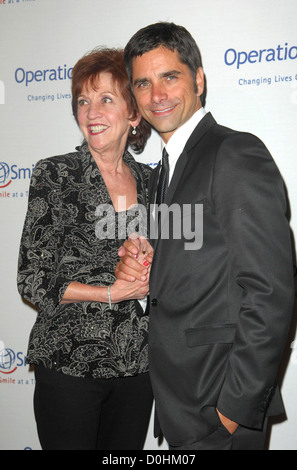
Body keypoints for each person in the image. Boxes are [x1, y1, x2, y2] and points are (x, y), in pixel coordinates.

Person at [115, 22, 295, 450]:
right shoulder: (162, 173)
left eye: (169, 77)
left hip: (218, 405)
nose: (157, 95)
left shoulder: (234, 152)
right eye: (143, 83)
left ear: (198, 78)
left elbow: (270, 291)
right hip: (180, 401)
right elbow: (194, 271)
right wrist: (143, 273)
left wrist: (230, 413)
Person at [17, 47, 153, 450]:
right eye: (83, 101)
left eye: (106, 99)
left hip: (136, 366)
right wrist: (111, 293)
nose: (91, 112)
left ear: (133, 113)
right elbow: (32, 279)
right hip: (67, 362)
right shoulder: (55, 173)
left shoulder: (153, 181)